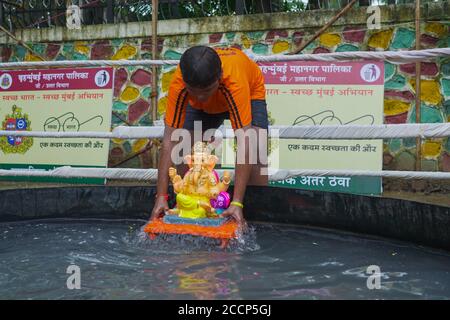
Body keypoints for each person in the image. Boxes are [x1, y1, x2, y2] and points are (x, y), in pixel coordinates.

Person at [150, 45, 269, 230]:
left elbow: (245, 142)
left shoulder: (234, 82)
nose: (201, 97)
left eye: (205, 91)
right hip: (200, 104)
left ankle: (246, 216)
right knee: (182, 150)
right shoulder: (180, 84)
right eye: (194, 90)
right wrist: (160, 197)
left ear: (219, 76)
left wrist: (236, 202)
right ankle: (185, 208)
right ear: (185, 82)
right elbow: (169, 141)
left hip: (249, 91)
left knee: (256, 150)